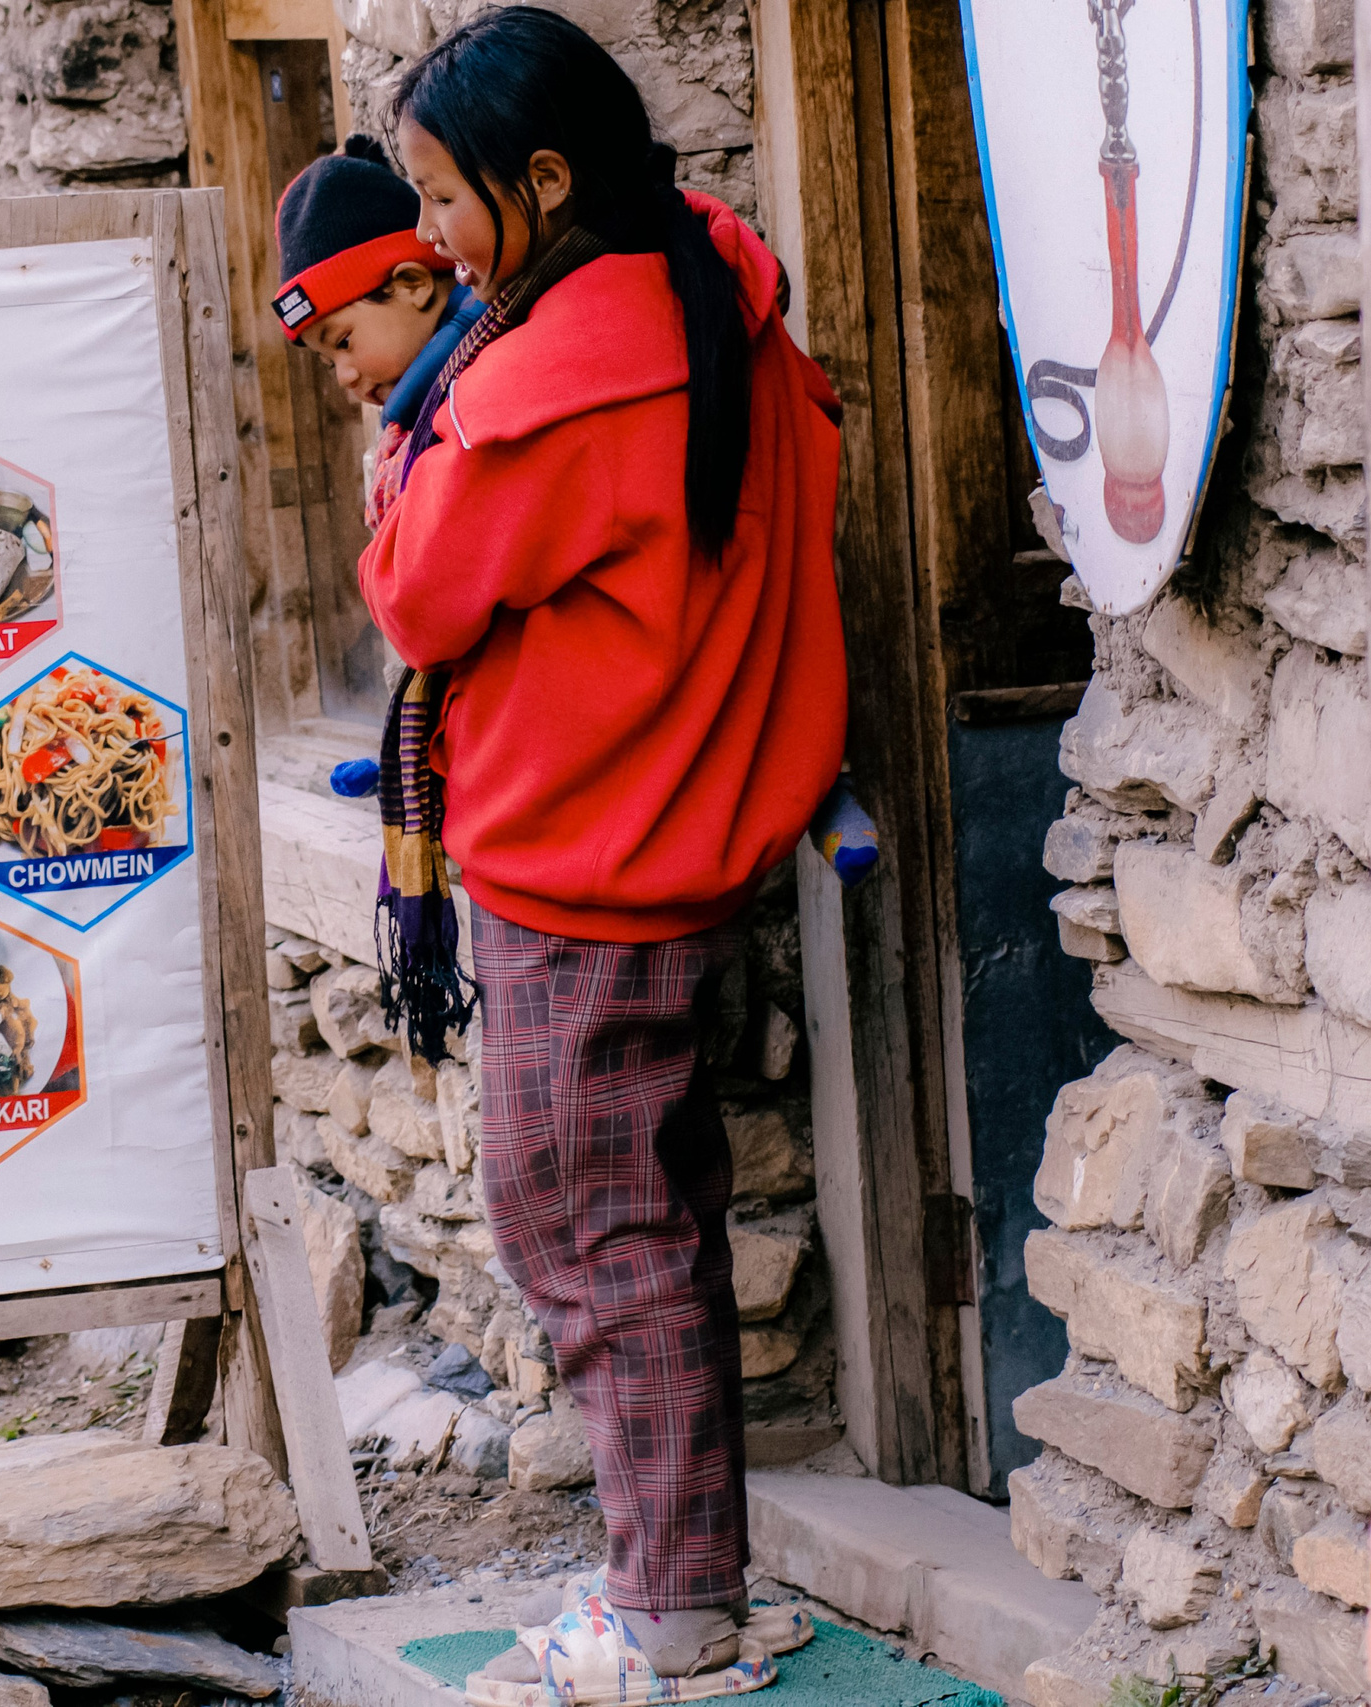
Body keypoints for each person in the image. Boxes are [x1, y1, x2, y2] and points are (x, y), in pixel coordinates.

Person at [355, 8, 848, 1702]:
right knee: (655, 1223)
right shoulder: (708, 296)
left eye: (436, 198)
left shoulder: (552, 376)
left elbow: (420, 594)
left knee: (580, 1235)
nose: (422, 239)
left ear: (544, 177)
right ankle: (691, 1579)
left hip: (577, 854)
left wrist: (404, 448)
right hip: (678, 819)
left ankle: (668, 1617)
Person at [273, 134, 487, 525]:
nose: (343, 376)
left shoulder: (479, 396)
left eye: (343, 341)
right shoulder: (426, 404)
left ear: (412, 284)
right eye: (328, 363)